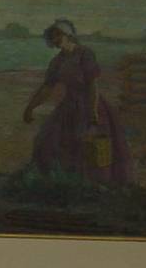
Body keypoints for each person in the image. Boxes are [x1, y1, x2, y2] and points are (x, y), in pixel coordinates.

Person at [20, 19, 133, 184]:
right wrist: (30, 107)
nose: (55, 39)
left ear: (68, 35)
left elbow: (93, 85)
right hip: (69, 106)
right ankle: (63, 184)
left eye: (58, 35)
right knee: (45, 140)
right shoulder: (57, 61)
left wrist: (93, 113)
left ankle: (95, 187)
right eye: (52, 36)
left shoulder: (84, 54)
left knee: (89, 147)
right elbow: (47, 88)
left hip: (90, 104)